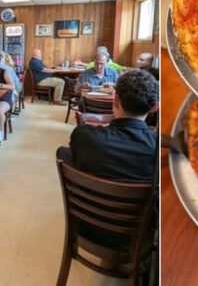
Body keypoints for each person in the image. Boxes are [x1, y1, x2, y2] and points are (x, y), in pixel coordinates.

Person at [56, 70, 158, 251]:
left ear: (115, 101)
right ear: (154, 107)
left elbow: (65, 154)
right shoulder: (158, 148)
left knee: (64, 153)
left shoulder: (84, 135)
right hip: (138, 238)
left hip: (87, 226)